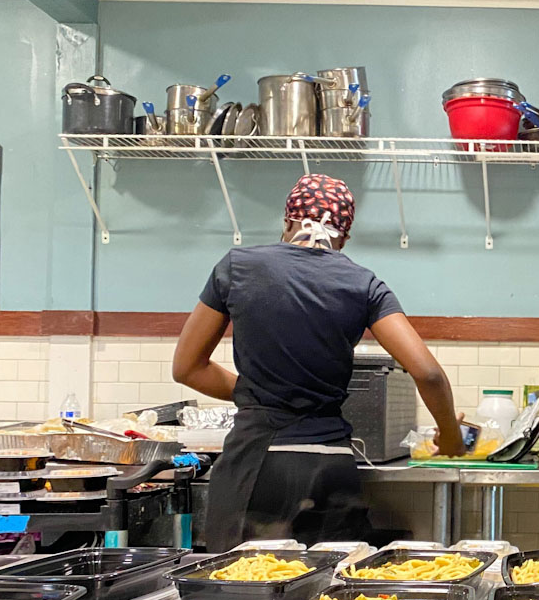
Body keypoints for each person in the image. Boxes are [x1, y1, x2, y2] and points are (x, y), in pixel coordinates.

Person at [173, 174, 466, 551]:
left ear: (288, 221)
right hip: (330, 466)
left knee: (240, 590)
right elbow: (427, 373)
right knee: (327, 597)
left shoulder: (238, 266)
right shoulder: (364, 284)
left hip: (257, 461)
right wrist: (451, 436)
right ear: (344, 236)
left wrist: (259, 395)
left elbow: (187, 368)